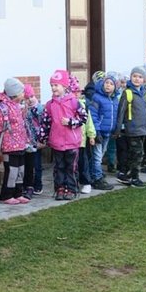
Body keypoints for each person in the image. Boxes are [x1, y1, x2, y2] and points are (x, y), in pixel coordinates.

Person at [38, 69, 87, 200]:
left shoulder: (74, 102)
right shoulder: (50, 105)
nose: (53, 88)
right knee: (59, 167)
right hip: (57, 142)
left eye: (56, 85)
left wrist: (71, 122)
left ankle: (71, 189)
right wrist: (42, 138)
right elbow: (45, 123)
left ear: (65, 86)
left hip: (72, 142)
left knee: (71, 167)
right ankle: (59, 188)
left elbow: (84, 118)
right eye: (52, 85)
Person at [0, 78, 30, 205]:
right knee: (12, 171)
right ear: (15, 93)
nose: (24, 94)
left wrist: (27, 140)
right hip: (9, 146)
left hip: (20, 145)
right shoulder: (3, 109)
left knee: (20, 170)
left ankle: (18, 193)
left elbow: (23, 126)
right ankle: (6, 195)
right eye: (22, 92)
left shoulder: (18, 106)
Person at [114, 66, 146, 188]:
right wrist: (118, 130)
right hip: (132, 129)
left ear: (144, 79)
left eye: (140, 77)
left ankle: (124, 175)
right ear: (130, 77)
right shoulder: (127, 93)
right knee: (138, 154)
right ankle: (135, 178)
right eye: (134, 76)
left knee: (133, 154)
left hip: (143, 129)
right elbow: (121, 112)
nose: (137, 79)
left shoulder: (145, 93)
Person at [88, 74, 118, 190]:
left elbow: (114, 116)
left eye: (111, 84)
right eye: (106, 83)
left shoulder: (114, 99)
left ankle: (93, 173)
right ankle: (97, 179)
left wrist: (115, 129)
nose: (108, 86)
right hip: (98, 132)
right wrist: (97, 131)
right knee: (97, 156)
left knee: (100, 154)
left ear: (115, 87)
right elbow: (93, 115)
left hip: (108, 133)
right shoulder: (97, 97)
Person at [70, 76, 95, 194]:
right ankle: (73, 183)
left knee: (83, 162)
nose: (76, 94)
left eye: (78, 91)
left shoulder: (83, 105)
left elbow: (89, 121)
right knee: (71, 164)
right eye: (73, 91)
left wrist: (91, 135)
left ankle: (86, 182)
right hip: (69, 141)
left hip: (81, 141)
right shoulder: (67, 105)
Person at [22, 84, 45, 196]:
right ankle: (27, 184)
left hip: (37, 141)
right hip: (27, 142)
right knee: (27, 164)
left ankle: (38, 185)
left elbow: (44, 125)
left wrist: (42, 140)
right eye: (27, 98)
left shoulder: (40, 109)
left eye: (31, 97)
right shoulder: (24, 110)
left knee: (37, 164)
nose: (30, 100)